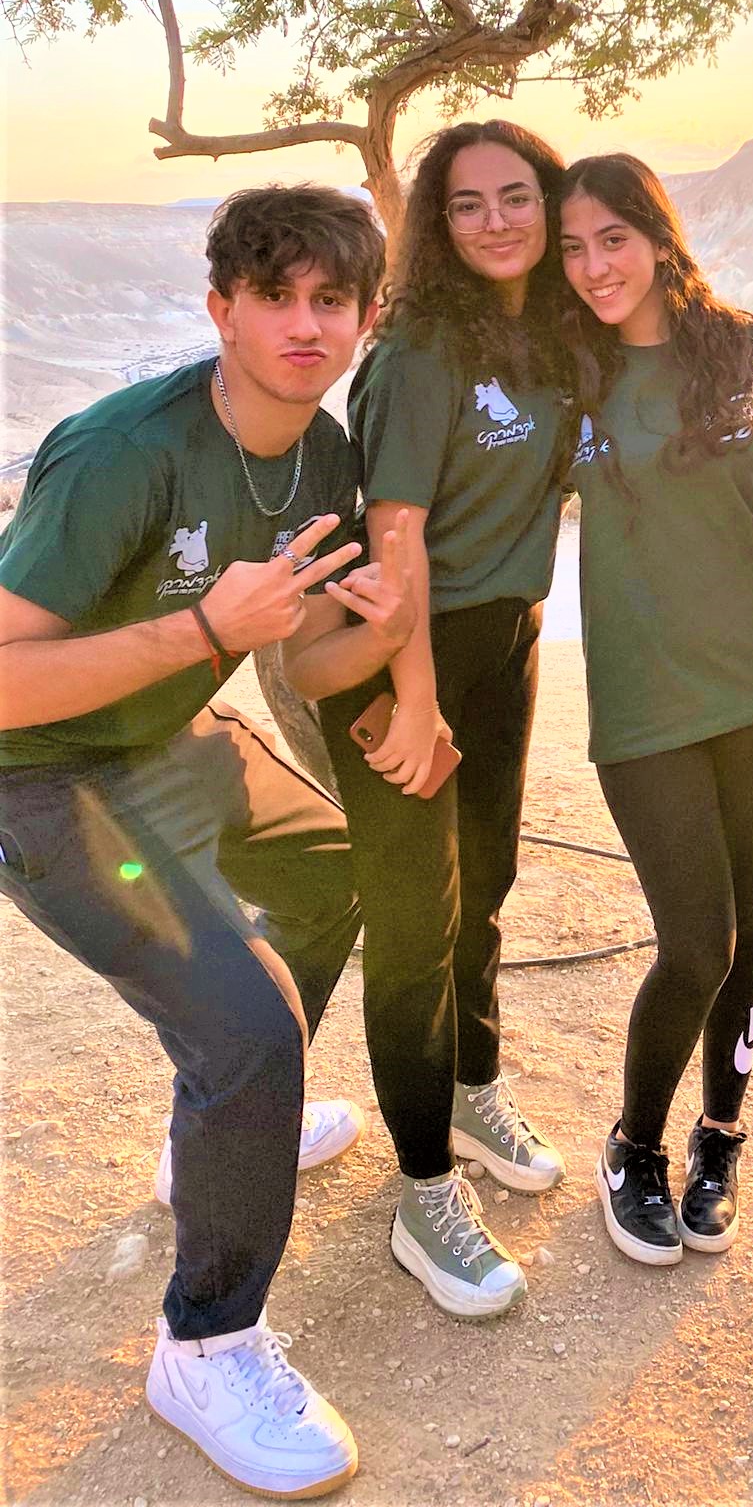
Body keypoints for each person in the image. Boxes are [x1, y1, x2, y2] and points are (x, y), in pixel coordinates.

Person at [0, 185, 409, 1499]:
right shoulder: (122, 454)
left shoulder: (325, 457)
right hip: (37, 777)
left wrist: (390, 629)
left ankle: (219, 1139)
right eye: (274, 296)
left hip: (162, 739)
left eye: (332, 299)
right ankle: (205, 1345)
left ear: (365, 315)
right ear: (222, 308)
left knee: (335, 869)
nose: (305, 325)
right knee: (250, 1026)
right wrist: (201, 633)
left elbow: (306, 653)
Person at [315, 119, 569, 1321]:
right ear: (435, 223)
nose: (496, 221)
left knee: (489, 883)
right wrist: (413, 699)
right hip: (407, 653)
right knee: (417, 920)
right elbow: (393, 535)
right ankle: (423, 1192)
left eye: (517, 195)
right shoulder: (419, 349)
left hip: (505, 638)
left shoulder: (544, 337)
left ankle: (472, 1088)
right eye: (467, 204)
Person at [559, 153, 753, 1265]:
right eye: (572, 248)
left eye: (613, 238)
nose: (594, 265)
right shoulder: (563, 372)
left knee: (746, 927)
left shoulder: (746, 350)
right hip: (643, 699)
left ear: (658, 236)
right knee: (697, 939)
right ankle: (635, 1145)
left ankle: (719, 1137)